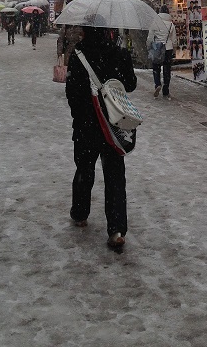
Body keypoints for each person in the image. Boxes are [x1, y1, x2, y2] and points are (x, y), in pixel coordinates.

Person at [65, 25, 137, 250]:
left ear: (85, 31)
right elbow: (131, 84)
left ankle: (80, 213)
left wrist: (81, 115)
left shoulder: (78, 54)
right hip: (113, 125)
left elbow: (72, 92)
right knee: (115, 176)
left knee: (84, 170)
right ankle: (116, 229)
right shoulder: (118, 53)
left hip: (86, 126)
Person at [146, 4, 177, 99]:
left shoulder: (155, 23)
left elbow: (150, 38)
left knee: (156, 68)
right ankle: (166, 90)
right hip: (168, 49)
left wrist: (149, 47)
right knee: (167, 70)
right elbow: (174, 40)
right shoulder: (171, 24)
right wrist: (174, 50)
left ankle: (157, 84)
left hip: (157, 49)